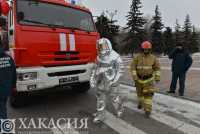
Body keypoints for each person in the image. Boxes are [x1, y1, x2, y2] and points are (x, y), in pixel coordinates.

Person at [90, 38, 124, 123]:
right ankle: (100, 115)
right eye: (100, 46)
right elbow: (94, 69)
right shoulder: (98, 58)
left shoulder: (115, 56)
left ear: (108, 45)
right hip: (101, 82)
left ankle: (119, 110)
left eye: (103, 46)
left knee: (115, 99)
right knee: (100, 99)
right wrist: (92, 79)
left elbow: (120, 70)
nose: (102, 48)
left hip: (112, 82)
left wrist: (114, 81)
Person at [130, 41, 160, 118]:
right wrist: (135, 77)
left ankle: (147, 110)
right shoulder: (137, 57)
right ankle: (140, 103)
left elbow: (157, 68)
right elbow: (133, 67)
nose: (146, 50)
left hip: (149, 80)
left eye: (147, 49)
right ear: (142, 49)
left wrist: (157, 77)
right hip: (139, 80)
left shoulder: (153, 58)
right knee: (140, 95)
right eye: (144, 49)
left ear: (150, 49)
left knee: (148, 95)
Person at [0, 46, 16, 120]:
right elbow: (14, 74)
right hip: (6, 89)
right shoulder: (9, 58)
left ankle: (5, 130)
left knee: (2, 111)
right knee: (3, 109)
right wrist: (13, 86)